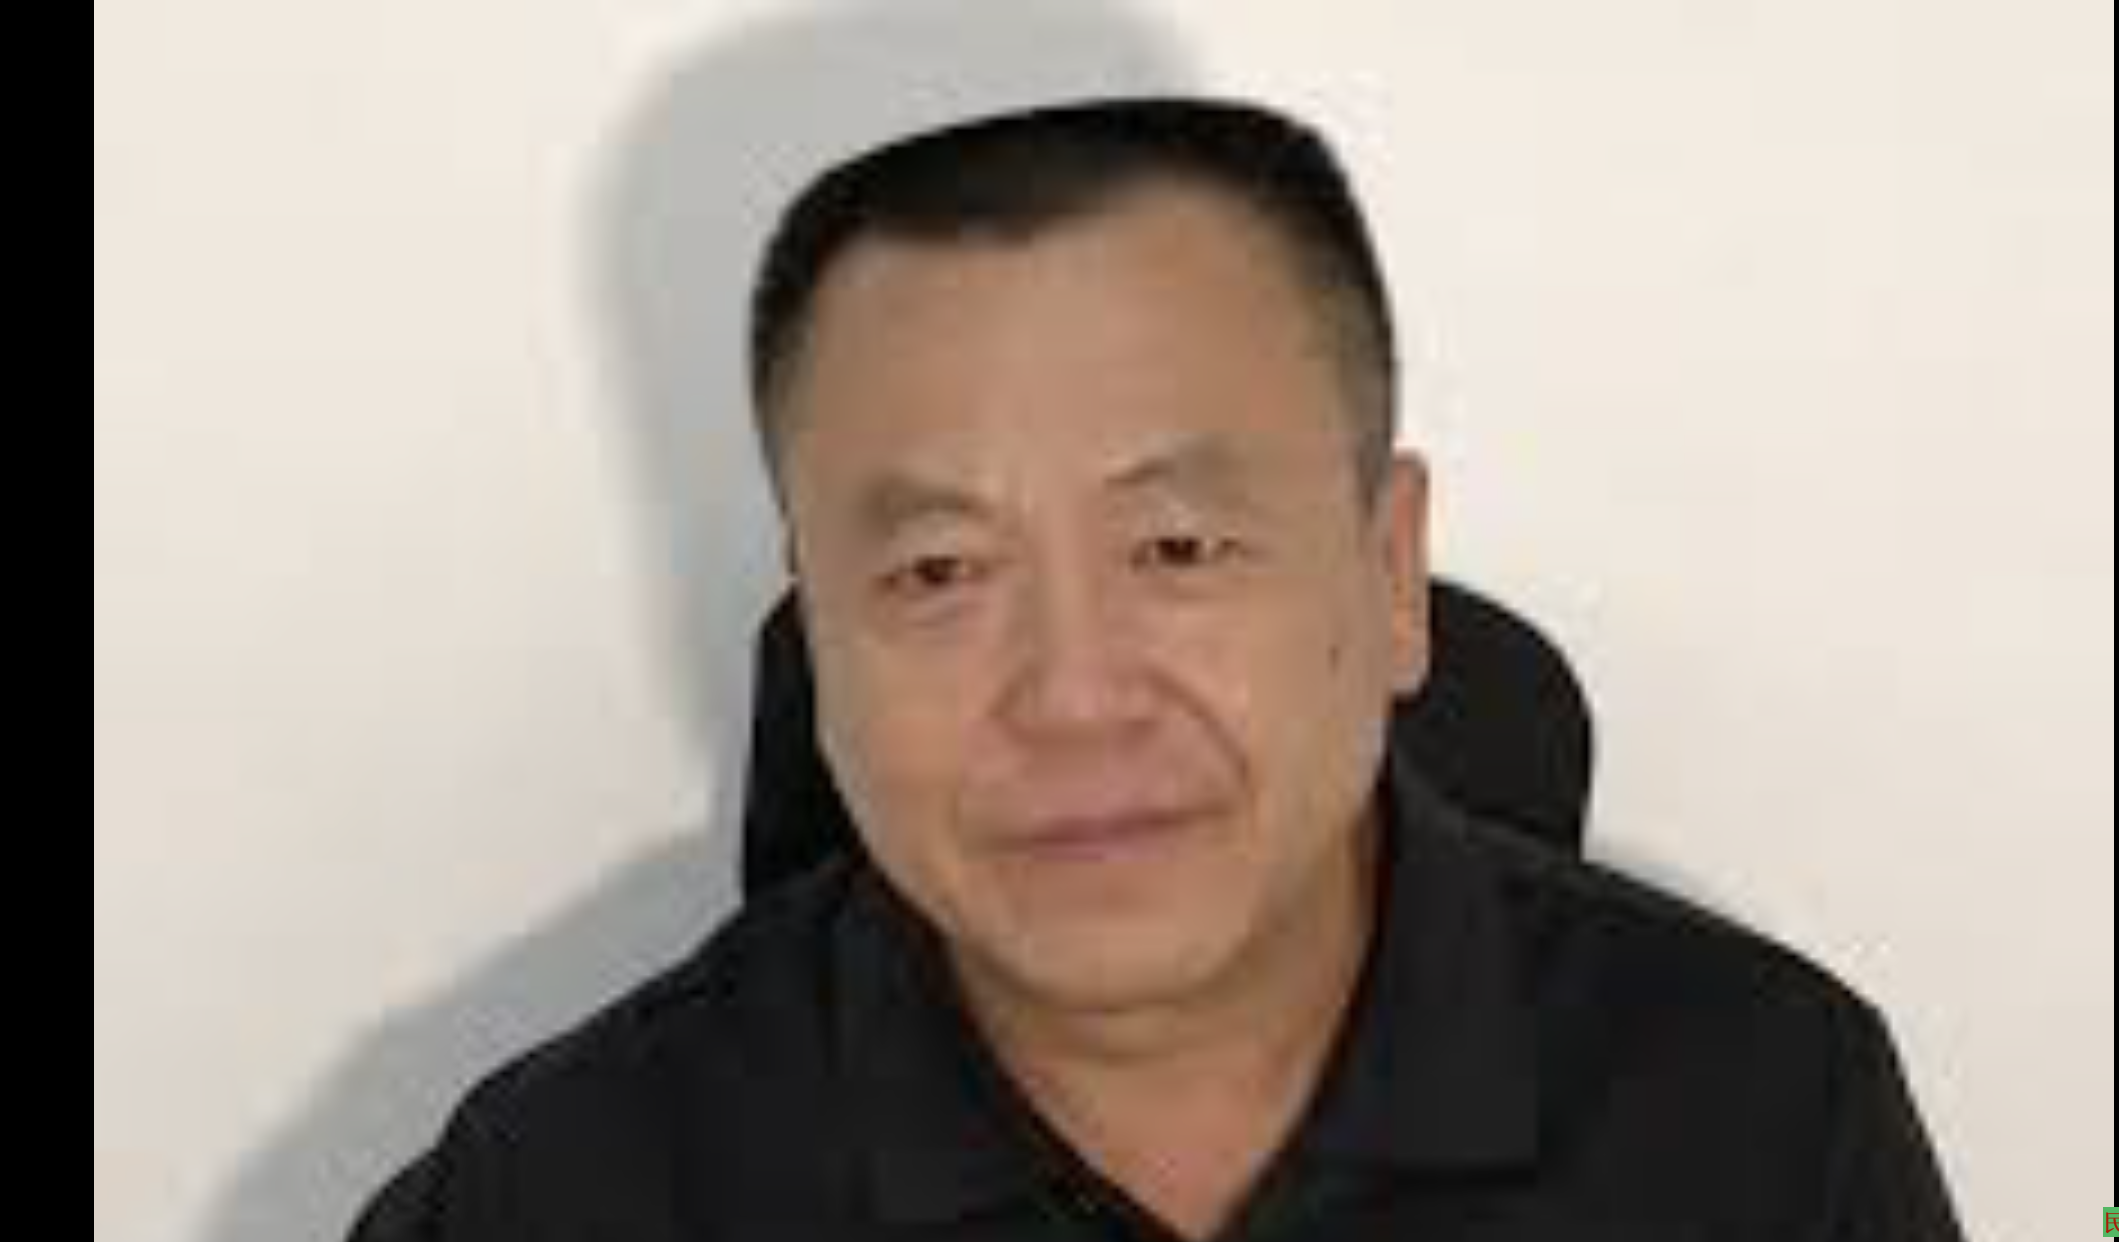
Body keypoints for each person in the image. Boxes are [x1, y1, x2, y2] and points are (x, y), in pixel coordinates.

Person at [352, 97, 1966, 1240]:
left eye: (1179, 547)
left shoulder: (1764, 1115)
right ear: (817, 632)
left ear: (1390, 573)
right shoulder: (562, 1190)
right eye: (938, 572)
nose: (1073, 694)